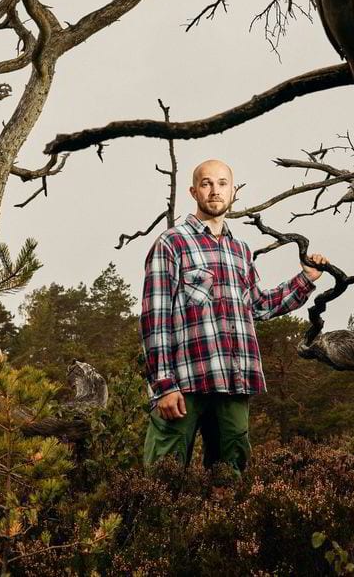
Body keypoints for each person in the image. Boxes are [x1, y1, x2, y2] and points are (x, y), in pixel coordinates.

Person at [140, 158, 327, 480]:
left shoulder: (240, 250)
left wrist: (305, 279)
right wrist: (164, 386)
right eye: (206, 183)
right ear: (194, 191)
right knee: (163, 477)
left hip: (234, 381)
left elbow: (258, 306)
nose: (215, 190)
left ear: (233, 191)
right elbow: (154, 318)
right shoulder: (172, 242)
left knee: (228, 480)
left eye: (222, 183)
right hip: (184, 382)